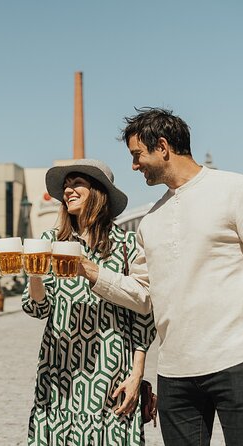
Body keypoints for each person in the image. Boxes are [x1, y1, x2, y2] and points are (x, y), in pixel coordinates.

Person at [78, 108, 243, 446]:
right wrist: (91, 271)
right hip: (175, 374)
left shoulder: (236, 190)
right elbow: (143, 296)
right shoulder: (150, 221)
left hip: (237, 361)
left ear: (163, 146)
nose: (134, 165)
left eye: (137, 155)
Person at [22, 158, 156, 445]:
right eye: (66, 187)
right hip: (58, 372)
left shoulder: (126, 244)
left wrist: (137, 375)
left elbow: (144, 318)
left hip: (111, 372)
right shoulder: (49, 241)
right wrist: (34, 276)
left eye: (76, 185)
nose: (67, 191)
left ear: (98, 192)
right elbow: (37, 308)